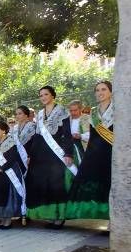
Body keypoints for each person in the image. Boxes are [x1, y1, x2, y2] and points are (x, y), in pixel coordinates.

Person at [25, 85, 75, 229]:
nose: (43, 97)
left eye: (45, 94)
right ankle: (50, 215)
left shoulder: (62, 111)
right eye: (40, 95)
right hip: (41, 154)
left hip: (56, 153)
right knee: (44, 183)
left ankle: (59, 217)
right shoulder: (40, 114)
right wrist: (31, 154)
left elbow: (67, 134)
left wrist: (68, 153)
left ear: (53, 95)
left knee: (56, 184)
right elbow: (37, 136)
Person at [66, 81, 113, 221]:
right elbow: (93, 136)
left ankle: (114, 219)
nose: (100, 92)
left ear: (111, 91)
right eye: (97, 90)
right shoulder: (93, 112)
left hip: (112, 152)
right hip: (95, 153)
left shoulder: (118, 109)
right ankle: (102, 216)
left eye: (103, 89)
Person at [68, 99, 91, 164]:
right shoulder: (66, 120)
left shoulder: (89, 119)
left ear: (81, 109)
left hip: (84, 148)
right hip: (70, 150)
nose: (73, 113)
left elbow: (95, 135)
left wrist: (81, 136)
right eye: (71, 111)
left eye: (75, 110)